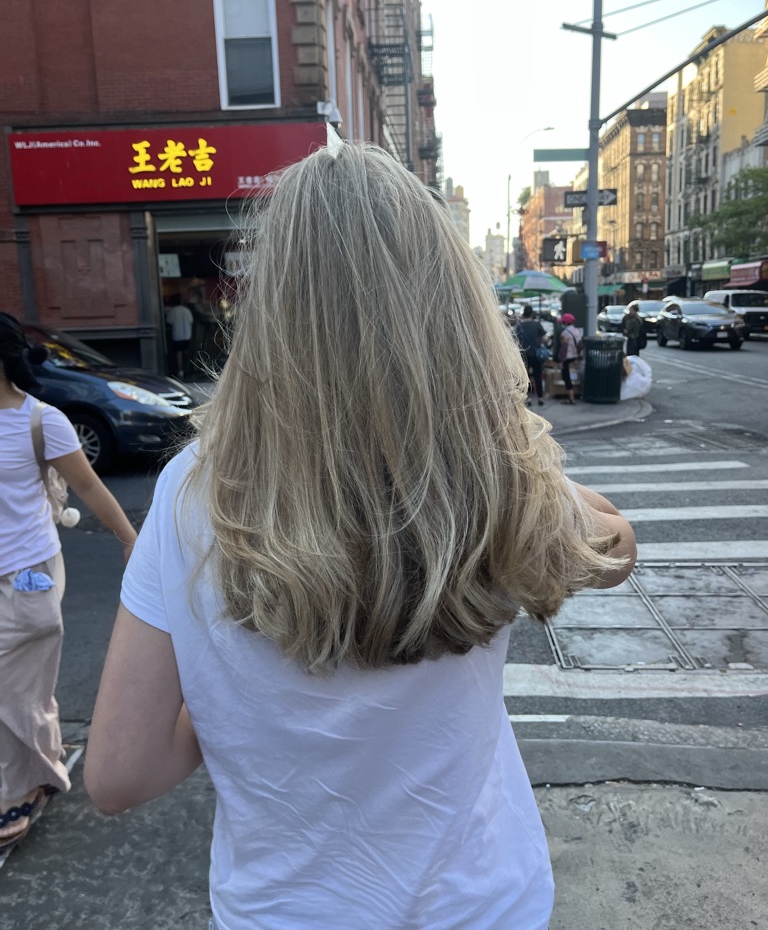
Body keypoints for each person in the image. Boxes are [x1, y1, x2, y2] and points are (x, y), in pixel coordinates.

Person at [84, 143, 636, 930]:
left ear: (271, 309)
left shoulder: (190, 492)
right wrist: (522, 475)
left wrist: (229, 701)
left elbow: (118, 775)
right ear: (452, 306)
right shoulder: (493, 473)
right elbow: (614, 548)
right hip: (483, 905)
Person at [0, 313, 137, 852]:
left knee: (12, 691)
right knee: (25, 686)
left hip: (27, 575)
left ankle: (17, 790)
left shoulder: (41, 421)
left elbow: (91, 487)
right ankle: (46, 757)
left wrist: (132, 542)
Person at [516, 304, 548, 406]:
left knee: (525, 376)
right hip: (536, 354)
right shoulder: (537, 324)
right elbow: (545, 338)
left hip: (523, 354)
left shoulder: (519, 326)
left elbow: (515, 340)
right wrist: (538, 342)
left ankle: (528, 398)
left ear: (523, 314)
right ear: (532, 314)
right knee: (538, 375)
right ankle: (540, 398)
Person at [165, 295, 194, 379]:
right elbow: (191, 321)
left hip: (177, 335)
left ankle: (180, 370)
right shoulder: (187, 310)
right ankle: (187, 369)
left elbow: (169, 322)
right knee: (186, 352)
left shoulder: (173, 311)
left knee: (179, 353)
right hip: (187, 334)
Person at [558, 312, 583, 405]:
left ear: (565, 322)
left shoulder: (565, 333)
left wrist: (561, 360)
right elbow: (580, 345)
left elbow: (564, 348)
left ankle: (571, 397)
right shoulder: (577, 331)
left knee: (566, 377)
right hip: (574, 356)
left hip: (567, 357)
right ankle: (573, 395)